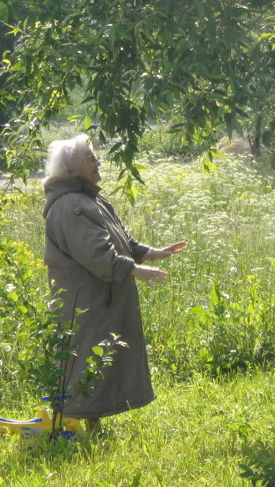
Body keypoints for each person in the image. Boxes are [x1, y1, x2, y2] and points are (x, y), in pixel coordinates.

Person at [42, 134, 186, 431]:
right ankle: (80, 427)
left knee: (99, 357)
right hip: (85, 301)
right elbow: (96, 253)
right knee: (86, 354)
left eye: (96, 157)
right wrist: (136, 270)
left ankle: (90, 426)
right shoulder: (71, 205)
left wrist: (150, 253)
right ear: (71, 169)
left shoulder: (90, 199)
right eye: (90, 159)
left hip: (99, 298)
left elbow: (121, 240)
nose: (97, 163)